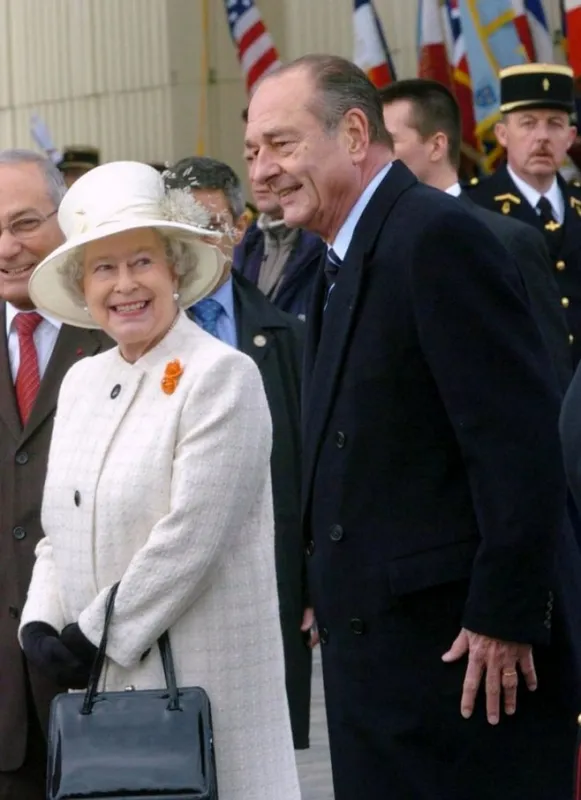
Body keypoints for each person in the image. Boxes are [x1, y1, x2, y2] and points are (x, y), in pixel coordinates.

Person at [246, 54, 575, 800]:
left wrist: (503, 615)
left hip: (459, 666)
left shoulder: (434, 237)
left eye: (281, 144)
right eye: (252, 152)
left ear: (355, 133)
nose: (261, 170)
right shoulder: (340, 254)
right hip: (385, 660)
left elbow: (515, 441)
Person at [18, 161, 301, 799]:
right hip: (105, 700)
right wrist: (40, 622)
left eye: (141, 262)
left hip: (202, 692)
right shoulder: (83, 381)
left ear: (176, 267)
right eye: (103, 268)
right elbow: (58, 526)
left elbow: (191, 538)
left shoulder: (220, 376)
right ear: (82, 285)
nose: (125, 285)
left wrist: (94, 634)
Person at [164, 155, 312, 749]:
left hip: (262, 584)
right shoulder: (122, 335)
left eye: (212, 224)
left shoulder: (285, 336)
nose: (199, 242)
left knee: (258, 752)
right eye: (180, 227)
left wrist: (313, 585)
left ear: (241, 226)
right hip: (166, 586)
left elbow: (309, 466)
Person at [0, 149, 112, 800]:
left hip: (99, 672)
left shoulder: (117, 332)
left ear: (65, 221)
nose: (8, 247)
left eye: (24, 223)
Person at [380, 78, 572, 392]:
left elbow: (547, 362)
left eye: (389, 142)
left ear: (437, 145)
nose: (375, 156)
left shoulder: (505, 239)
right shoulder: (377, 238)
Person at [466, 63, 581, 368]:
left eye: (555, 124)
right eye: (528, 123)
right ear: (502, 134)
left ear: (570, 137)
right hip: (519, 382)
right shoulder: (474, 208)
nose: (542, 137)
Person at [234, 149, 324, 320]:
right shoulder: (242, 244)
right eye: (250, 159)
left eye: (276, 155)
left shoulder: (329, 244)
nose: (257, 175)